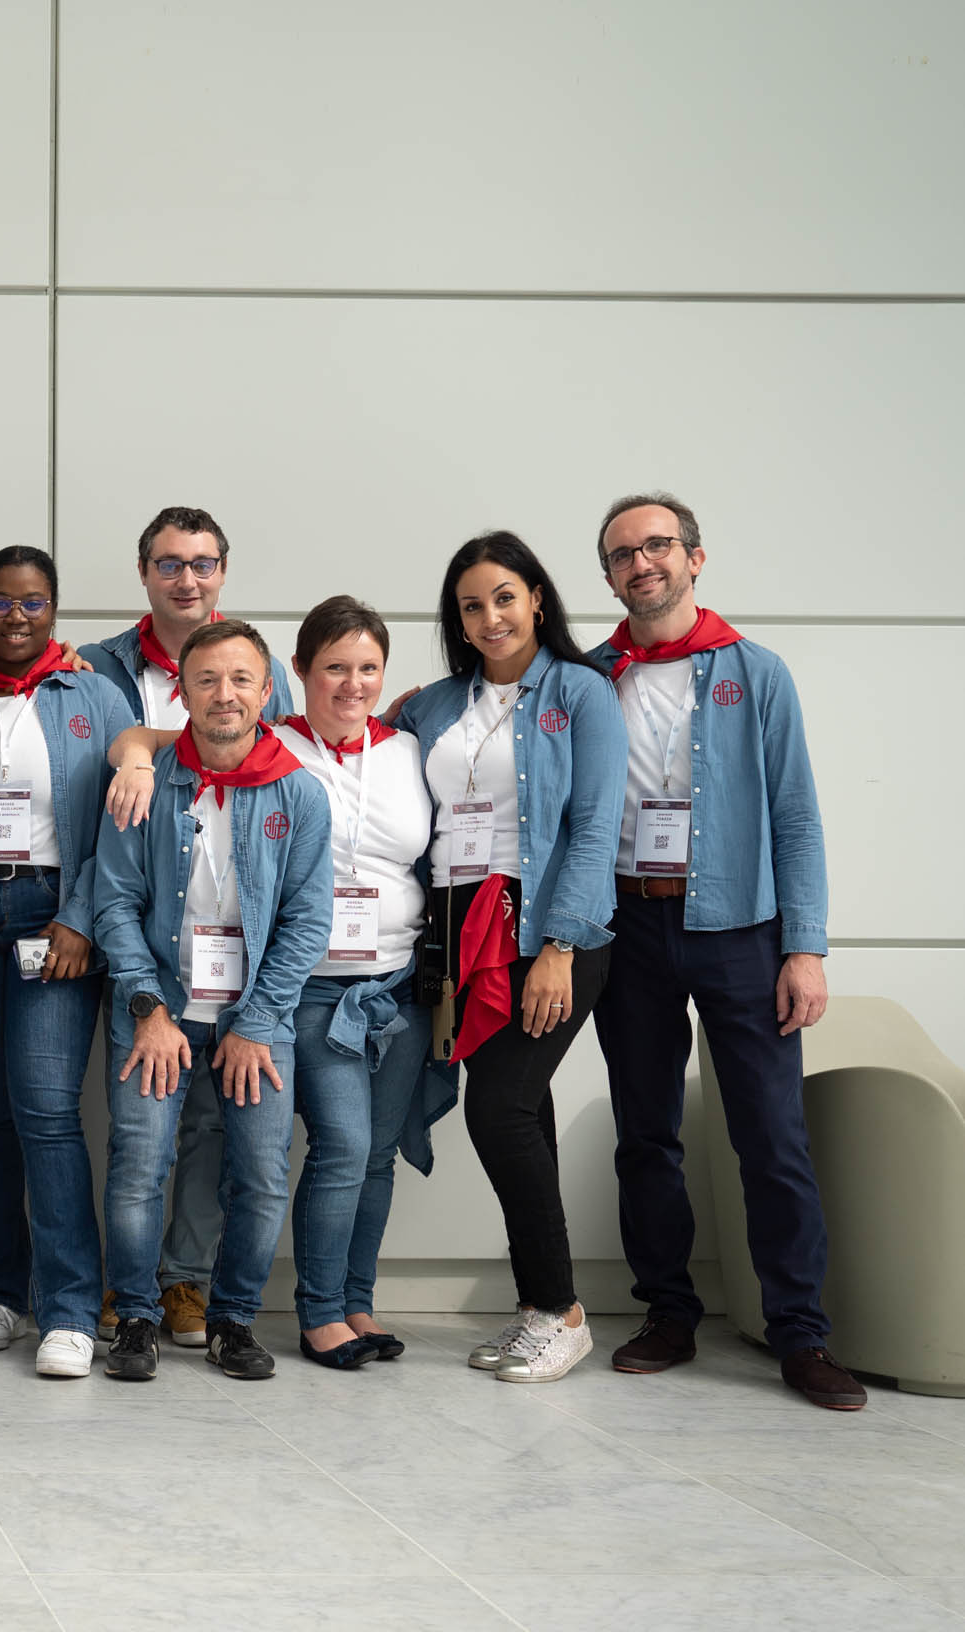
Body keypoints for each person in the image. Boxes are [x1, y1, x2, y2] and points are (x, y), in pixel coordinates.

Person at [585, 493, 861, 1410]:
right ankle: (668, 1313)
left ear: (694, 558)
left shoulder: (757, 672)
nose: (642, 563)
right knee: (645, 1134)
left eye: (658, 546)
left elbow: (797, 817)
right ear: (609, 576)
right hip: (629, 929)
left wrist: (805, 946)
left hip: (742, 930)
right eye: (623, 554)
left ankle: (801, 1334)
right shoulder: (593, 678)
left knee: (771, 1136)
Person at [399, 531, 625, 1384]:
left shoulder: (581, 691)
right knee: (522, 1114)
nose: (490, 617)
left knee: (498, 1111)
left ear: (536, 598)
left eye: (504, 597)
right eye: (471, 605)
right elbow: (347, 744)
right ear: (456, 621)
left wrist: (561, 947)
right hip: (457, 931)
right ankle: (540, 1305)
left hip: (541, 932)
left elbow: (595, 826)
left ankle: (561, 1311)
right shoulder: (432, 707)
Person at [73, 506, 293, 1347]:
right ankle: (128, 1293)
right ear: (144, 572)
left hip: (240, 978)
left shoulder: (254, 670)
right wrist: (138, 752)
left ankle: (185, 1286)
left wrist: (142, 743)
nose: (186, 578)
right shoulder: (97, 665)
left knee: (212, 1140)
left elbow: (265, 748)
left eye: (202, 563)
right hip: (143, 942)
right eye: (169, 563)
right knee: (140, 1147)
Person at [94, 619, 331, 1382]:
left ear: (266, 692)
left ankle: (232, 1319)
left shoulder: (300, 793)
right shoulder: (146, 786)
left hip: (255, 1016)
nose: (223, 694)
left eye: (240, 679)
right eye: (206, 679)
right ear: (184, 692)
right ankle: (136, 1316)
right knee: (139, 1163)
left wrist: (257, 1022)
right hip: (157, 1009)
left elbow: (308, 920)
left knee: (259, 1172)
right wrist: (148, 1009)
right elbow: (114, 904)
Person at [0, 547, 130, 1374]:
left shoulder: (94, 694)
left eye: (34, 602)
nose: (17, 616)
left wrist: (82, 918)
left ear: (55, 608)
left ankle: (71, 1309)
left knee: (48, 1109)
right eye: (1, 601)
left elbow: (125, 822)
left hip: (53, 916)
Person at [271, 598, 436, 1367]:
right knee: (342, 1143)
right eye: (335, 667)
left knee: (377, 1153)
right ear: (301, 669)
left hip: (398, 986)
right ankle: (318, 1314)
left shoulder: (408, 750)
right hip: (313, 988)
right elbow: (171, 744)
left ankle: (357, 1302)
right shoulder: (270, 747)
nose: (352, 683)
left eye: (368, 668)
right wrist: (138, 749)